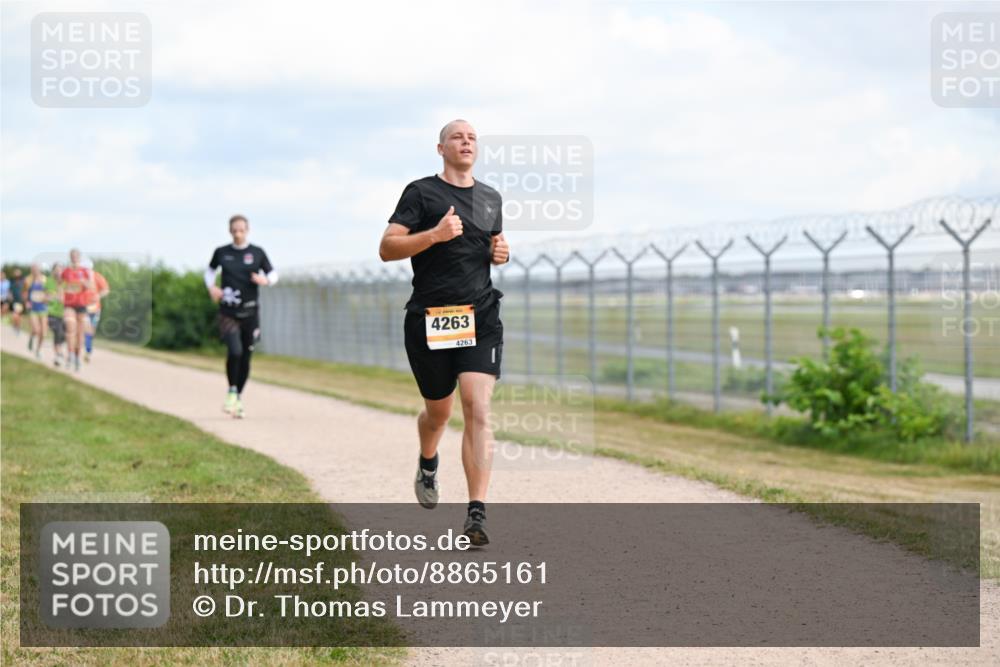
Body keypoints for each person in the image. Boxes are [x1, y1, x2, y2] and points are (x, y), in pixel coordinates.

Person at [379, 119, 510, 546]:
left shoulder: (490, 197)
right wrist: (434, 235)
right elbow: (387, 247)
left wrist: (501, 252)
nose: (466, 141)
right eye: (457, 136)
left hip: (481, 317)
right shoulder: (421, 193)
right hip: (430, 319)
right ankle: (428, 459)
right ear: (441, 148)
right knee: (439, 413)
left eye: (472, 137)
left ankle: (477, 512)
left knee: (477, 406)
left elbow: (493, 243)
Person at [205, 214, 278, 419]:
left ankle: (236, 397)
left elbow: (273, 274)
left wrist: (265, 280)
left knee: (246, 356)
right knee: (235, 351)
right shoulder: (221, 252)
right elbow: (209, 272)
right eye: (234, 230)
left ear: (247, 230)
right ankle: (231, 390)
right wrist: (212, 288)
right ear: (230, 231)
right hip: (228, 312)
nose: (238, 234)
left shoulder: (257, 253)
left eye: (241, 230)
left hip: (251, 313)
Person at [60, 249, 94, 372]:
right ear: (70, 257)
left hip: (81, 304)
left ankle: (77, 356)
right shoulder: (66, 271)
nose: (74, 258)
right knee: (70, 328)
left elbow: (92, 286)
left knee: (80, 334)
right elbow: (60, 285)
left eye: (76, 256)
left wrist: (84, 282)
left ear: (79, 257)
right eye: (72, 256)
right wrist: (61, 293)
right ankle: (70, 355)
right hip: (69, 304)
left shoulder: (85, 271)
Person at [82, 261, 110, 362]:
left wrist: (98, 295)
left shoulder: (97, 277)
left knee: (91, 332)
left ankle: (87, 349)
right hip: (82, 308)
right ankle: (86, 351)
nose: (87, 271)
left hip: (95, 308)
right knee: (87, 329)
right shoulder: (80, 278)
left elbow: (106, 290)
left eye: (88, 269)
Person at [25, 264, 49, 358]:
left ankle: (38, 350)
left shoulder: (45, 279)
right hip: (33, 309)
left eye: (36, 269)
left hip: (43, 308)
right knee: (36, 330)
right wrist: (27, 302)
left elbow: (48, 292)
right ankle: (32, 337)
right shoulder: (28, 280)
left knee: (43, 333)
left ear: (40, 270)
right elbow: (25, 292)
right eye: (33, 269)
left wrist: (47, 298)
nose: (34, 271)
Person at [46, 263, 67, 367]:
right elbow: (43, 296)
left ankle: (59, 351)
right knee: (57, 332)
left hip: (64, 313)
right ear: (53, 271)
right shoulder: (48, 281)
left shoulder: (66, 282)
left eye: (60, 270)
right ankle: (58, 355)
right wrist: (49, 297)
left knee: (64, 335)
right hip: (51, 313)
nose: (58, 272)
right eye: (56, 270)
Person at [10, 267, 25, 335]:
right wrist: (10, 295)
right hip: (14, 301)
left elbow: (26, 290)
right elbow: (10, 290)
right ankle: (16, 327)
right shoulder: (12, 281)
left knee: (16, 315)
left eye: (17, 272)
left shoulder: (23, 281)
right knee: (16, 316)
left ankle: (17, 327)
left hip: (20, 301)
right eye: (15, 272)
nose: (16, 273)